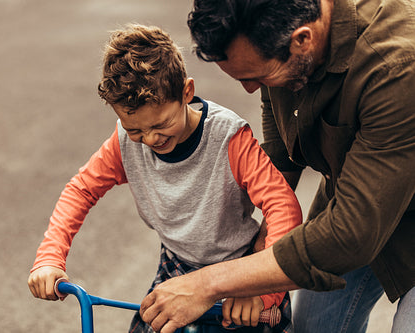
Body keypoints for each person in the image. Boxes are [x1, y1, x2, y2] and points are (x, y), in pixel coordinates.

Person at [138, 0, 415, 332]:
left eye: (259, 76)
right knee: (313, 327)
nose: (251, 88)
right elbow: (279, 116)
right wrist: (267, 222)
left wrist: (209, 283)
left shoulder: (396, 67)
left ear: (302, 40)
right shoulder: (290, 48)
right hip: (358, 194)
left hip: (366, 217)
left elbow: (352, 235)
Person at [27, 24, 302, 332]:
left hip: (239, 269)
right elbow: (81, 190)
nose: (150, 139)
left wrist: (264, 290)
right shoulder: (123, 143)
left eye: (161, 124)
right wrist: (50, 258)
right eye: (135, 130)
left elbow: (282, 206)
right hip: (176, 265)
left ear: (186, 92)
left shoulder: (228, 138)